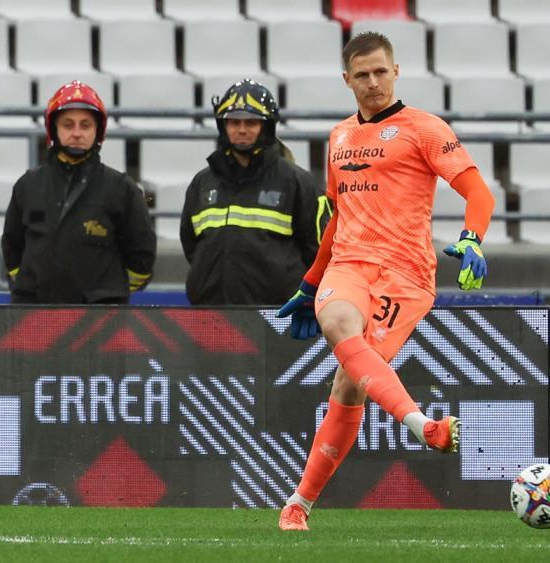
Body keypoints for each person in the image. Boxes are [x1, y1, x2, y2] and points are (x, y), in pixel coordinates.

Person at [275, 32, 495, 531]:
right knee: (336, 321)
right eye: (362, 75)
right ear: (346, 80)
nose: (372, 82)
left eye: (380, 72)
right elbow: (337, 217)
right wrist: (311, 284)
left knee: (351, 382)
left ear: (396, 72)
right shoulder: (339, 138)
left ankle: (300, 503)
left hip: (407, 275)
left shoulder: (424, 128)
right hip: (348, 265)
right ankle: (422, 426)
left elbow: (478, 192)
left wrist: (473, 239)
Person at [1, 81, 156, 304]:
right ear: (53, 128)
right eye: (68, 124)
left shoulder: (122, 188)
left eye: (85, 125)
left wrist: (107, 293)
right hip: (34, 318)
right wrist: (30, 287)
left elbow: (142, 260)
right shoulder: (28, 185)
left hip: (100, 322)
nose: (76, 133)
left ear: (98, 131)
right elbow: (12, 248)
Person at [180, 79, 329, 305]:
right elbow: (191, 245)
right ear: (223, 126)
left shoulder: (298, 182)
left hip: (276, 318)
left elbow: (320, 254)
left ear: (266, 126)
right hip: (210, 316)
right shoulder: (202, 182)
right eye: (233, 122)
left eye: (251, 122)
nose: (241, 130)